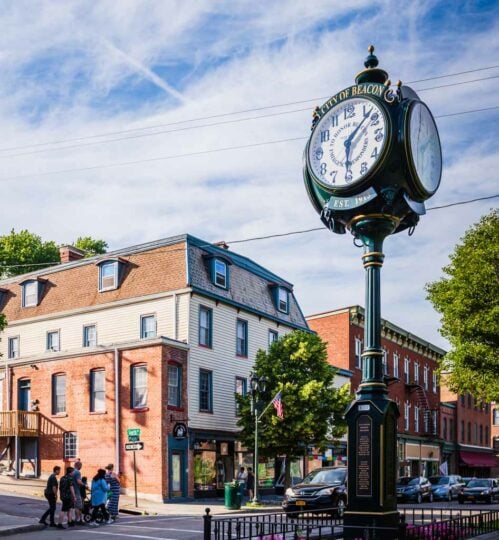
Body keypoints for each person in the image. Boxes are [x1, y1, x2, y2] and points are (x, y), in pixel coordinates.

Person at [72, 460, 84, 524]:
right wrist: (84, 485)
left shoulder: (72, 471)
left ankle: (76, 519)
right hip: (76, 491)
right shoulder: (77, 472)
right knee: (78, 506)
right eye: (81, 466)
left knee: (75, 506)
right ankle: (79, 520)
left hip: (72, 491)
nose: (81, 467)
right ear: (78, 465)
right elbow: (78, 481)